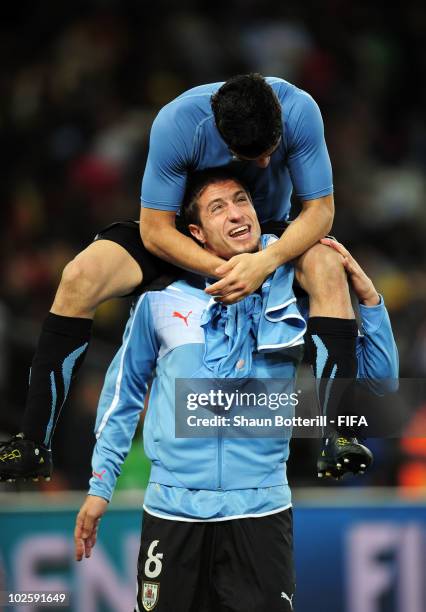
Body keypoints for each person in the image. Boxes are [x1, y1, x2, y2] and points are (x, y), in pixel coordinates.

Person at [1, 74, 359, 481]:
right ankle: (33, 442)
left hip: (265, 234)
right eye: (250, 156)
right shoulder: (177, 123)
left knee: (329, 267)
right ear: (222, 137)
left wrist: (263, 262)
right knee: (79, 275)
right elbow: (154, 230)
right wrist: (224, 269)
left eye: (270, 152)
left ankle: (340, 435)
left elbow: (320, 211)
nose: (263, 163)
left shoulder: (299, 109)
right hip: (183, 234)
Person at [73, 172, 399, 612]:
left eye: (241, 200)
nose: (236, 213)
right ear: (196, 234)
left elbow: (380, 385)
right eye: (217, 208)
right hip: (173, 514)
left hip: (261, 515)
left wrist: (370, 302)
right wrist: (100, 485)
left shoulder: (295, 290)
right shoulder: (160, 299)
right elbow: (123, 393)